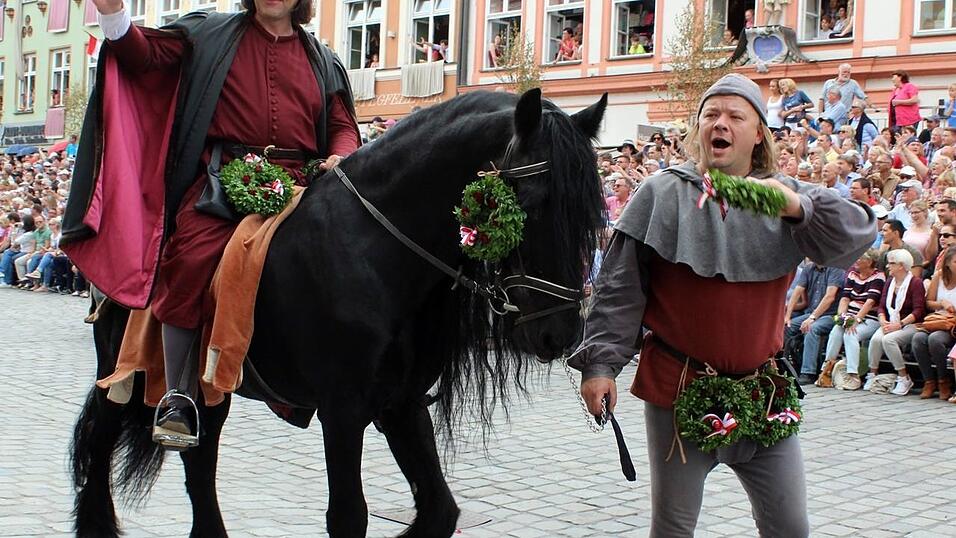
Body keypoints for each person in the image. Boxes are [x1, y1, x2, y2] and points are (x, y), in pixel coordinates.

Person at [569, 74, 875, 537]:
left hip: (764, 392)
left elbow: (858, 232)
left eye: (736, 115)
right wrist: (600, 366)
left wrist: (796, 207)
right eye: (711, 114)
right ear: (698, 129)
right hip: (680, 390)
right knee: (673, 528)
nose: (721, 123)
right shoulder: (662, 192)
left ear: (758, 134)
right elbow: (618, 290)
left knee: (790, 527)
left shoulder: (786, 193)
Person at [65, 0, 361, 446]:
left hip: (301, 185)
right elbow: (144, 56)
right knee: (189, 257)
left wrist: (344, 154)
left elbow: (342, 123)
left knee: (359, 257)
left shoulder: (322, 58)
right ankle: (179, 394)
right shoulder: (211, 35)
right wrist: (114, 14)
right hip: (222, 184)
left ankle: (385, 369)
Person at [819, 249, 884, 390]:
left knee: (850, 334)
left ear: (869, 261)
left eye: (860, 258)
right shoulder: (852, 275)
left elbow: (870, 302)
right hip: (851, 314)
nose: (856, 260)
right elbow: (845, 298)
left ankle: (853, 374)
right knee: (836, 330)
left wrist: (856, 320)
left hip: (869, 318)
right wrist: (842, 317)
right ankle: (827, 369)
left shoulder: (878, 277)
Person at [865, 249, 925, 395]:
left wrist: (900, 324)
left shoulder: (916, 283)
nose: (887, 266)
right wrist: (883, 320)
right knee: (876, 339)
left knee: (889, 340)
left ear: (902, 266)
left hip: (909, 324)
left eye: (892, 263)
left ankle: (904, 377)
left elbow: (918, 311)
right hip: (890, 321)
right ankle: (872, 374)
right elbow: (881, 306)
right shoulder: (890, 282)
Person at [911, 246, 956, 401]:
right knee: (917, 339)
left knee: (935, 339)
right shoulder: (939, 276)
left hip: (952, 325)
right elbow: (928, 302)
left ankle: (943, 380)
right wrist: (942, 303)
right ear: (948, 263)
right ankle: (929, 380)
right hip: (937, 319)